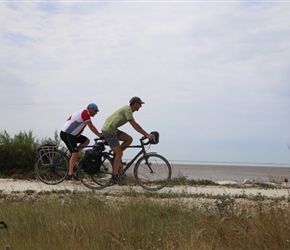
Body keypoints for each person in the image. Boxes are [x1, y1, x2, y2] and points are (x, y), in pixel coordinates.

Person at [101, 96, 154, 183]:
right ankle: (115, 176)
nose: (141, 106)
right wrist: (146, 134)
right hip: (109, 131)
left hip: (113, 129)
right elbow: (134, 125)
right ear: (135, 103)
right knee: (119, 153)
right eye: (140, 104)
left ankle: (116, 155)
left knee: (129, 139)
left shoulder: (128, 110)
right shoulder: (128, 110)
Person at [60, 103, 102, 180]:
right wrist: (100, 135)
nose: (96, 113)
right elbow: (91, 127)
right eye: (96, 111)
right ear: (91, 109)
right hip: (67, 134)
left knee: (86, 141)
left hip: (73, 135)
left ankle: (72, 155)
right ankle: (70, 174)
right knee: (75, 153)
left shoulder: (85, 113)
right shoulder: (85, 113)